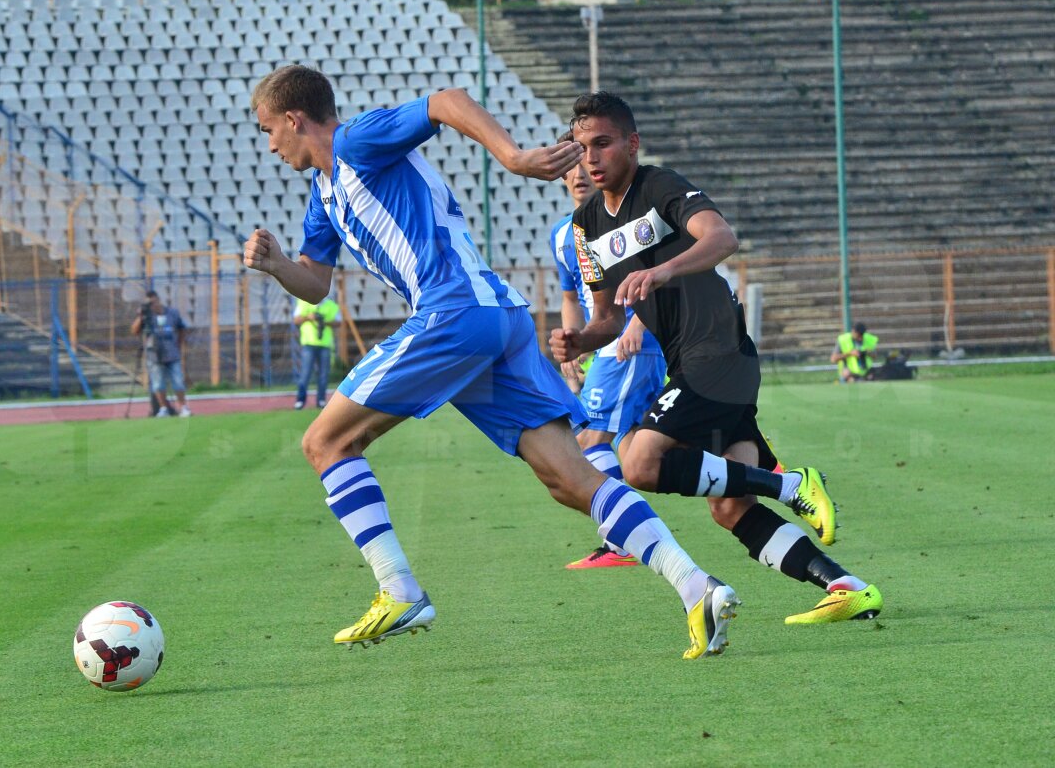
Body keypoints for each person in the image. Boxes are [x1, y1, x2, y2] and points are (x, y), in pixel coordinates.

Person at [244, 65, 746, 659]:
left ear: (294, 119)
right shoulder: (322, 198)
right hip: (496, 317)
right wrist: (277, 265)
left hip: (453, 312)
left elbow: (445, 100)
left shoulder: (356, 142)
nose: (269, 143)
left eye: (268, 128)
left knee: (325, 445)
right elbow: (317, 282)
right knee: (570, 480)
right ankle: (696, 586)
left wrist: (511, 156)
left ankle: (398, 589)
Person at [550, 91, 883, 625]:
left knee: (636, 460)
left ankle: (792, 485)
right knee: (729, 506)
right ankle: (847, 586)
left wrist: (664, 270)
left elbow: (722, 236)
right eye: (582, 146)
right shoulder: (587, 225)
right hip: (691, 365)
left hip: (719, 352)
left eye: (603, 143)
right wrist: (578, 341)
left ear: (631, 144)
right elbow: (607, 318)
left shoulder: (659, 185)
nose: (590, 157)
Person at [549, 133, 669, 570]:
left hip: (630, 343)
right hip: (604, 344)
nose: (579, 172)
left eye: (586, 160)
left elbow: (654, 272)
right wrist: (571, 345)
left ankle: (623, 542)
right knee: (638, 445)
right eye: (570, 163)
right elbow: (569, 295)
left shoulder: (623, 220)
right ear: (559, 172)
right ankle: (755, 458)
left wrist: (640, 321)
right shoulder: (564, 234)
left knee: (586, 438)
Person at [130, 291, 191, 418]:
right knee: (158, 383)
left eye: (153, 301)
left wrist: (178, 344)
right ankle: (163, 408)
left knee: (178, 381)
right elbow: (134, 331)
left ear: (158, 300)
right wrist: (141, 316)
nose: (152, 305)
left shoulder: (172, 313)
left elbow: (182, 328)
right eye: (149, 303)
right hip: (154, 355)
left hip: (172, 353)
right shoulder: (146, 316)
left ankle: (183, 407)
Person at [293, 294, 341, 409]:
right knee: (305, 374)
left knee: (323, 374)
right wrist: (309, 318)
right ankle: (300, 400)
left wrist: (324, 322)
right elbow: (296, 320)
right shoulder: (303, 302)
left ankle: (321, 401)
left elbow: (338, 322)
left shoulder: (332, 306)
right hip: (308, 344)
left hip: (325, 344)